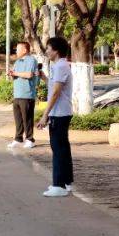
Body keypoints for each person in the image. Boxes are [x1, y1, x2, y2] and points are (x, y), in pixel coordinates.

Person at [37, 36, 75, 197]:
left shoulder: (60, 67)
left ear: (56, 50)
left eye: (48, 49)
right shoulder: (60, 66)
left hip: (58, 113)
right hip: (62, 112)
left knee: (58, 148)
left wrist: (45, 115)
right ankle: (66, 181)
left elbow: (56, 94)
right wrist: (44, 78)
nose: (47, 52)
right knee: (63, 148)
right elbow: (55, 87)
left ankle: (58, 184)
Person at [7, 42, 39, 150]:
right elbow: (15, 75)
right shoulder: (17, 62)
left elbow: (29, 74)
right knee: (18, 119)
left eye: (18, 49)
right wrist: (12, 74)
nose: (16, 51)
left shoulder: (31, 60)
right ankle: (18, 138)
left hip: (27, 94)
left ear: (25, 50)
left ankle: (30, 139)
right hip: (17, 94)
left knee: (27, 118)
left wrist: (15, 74)